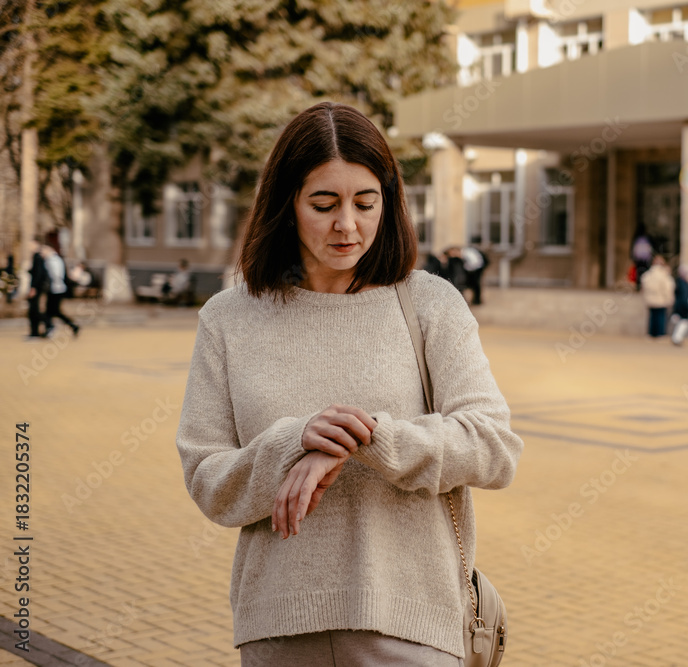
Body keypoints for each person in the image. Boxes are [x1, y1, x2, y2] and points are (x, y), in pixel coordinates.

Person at [174, 101, 523, 666]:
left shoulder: (430, 302)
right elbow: (208, 478)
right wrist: (295, 442)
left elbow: (494, 447)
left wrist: (366, 440)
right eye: (323, 204)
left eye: (366, 203)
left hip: (412, 627)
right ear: (286, 204)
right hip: (280, 628)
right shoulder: (228, 317)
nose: (348, 225)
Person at [41, 244, 80, 337]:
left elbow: (56, 275)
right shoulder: (54, 259)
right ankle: (51, 328)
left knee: (53, 311)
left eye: (43, 250)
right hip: (56, 288)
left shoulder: (53, 260)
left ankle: (70, 326)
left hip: (56, 289)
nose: (42, 253)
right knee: (52, 311)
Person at [640, 255, 674, 338]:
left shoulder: (648, 274)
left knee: (652, 317)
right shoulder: (664, 275)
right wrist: (669, 298)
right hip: (661, 299)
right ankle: (660, 333)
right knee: (660, 317)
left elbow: (643, 286)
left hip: (650, 299)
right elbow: (667, 288)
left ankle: (651, 333)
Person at [25, 238, 49, 339]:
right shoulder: (38, 257)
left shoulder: (37, 257)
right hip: (36, 287)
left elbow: (39, 274)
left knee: (33, 310)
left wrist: (33, 288)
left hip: (36, 287)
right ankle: (36, 331)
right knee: (33, 310)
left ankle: (37, 331)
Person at [670, 265, 688, 346]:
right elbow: (684, 297)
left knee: (681, 322)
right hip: (682, 306)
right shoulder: (683, 283)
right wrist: (686, 306)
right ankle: (677, 338)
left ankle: (676, 338)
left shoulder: (681, 282)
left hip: (680, 305)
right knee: (683, 322)